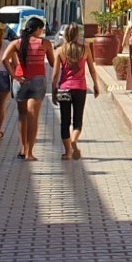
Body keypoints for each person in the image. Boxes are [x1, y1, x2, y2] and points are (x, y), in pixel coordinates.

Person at [2, 16, 55, 161]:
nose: (42, 31)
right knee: (33, 116)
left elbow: (4, 59)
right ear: (37, 29)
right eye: (42, 29)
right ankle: (29, 152)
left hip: (20, 81)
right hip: (37, 80)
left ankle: (22, 148)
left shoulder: (17, 43)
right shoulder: (45, 43)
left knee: (22, 116)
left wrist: (14, 76)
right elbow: (52, 63)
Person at [51, 23, 102, 160]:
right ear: (77, 35)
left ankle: (67, 152)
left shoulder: (60, 50)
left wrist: (53, 89)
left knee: (64, 121)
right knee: (77, 121)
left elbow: (55, 74)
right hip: (80, 88)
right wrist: (96, 85)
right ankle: (74, 140)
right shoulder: (85, 50)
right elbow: (92, 69)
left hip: (64, 88)